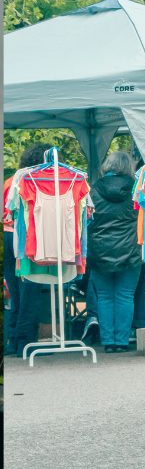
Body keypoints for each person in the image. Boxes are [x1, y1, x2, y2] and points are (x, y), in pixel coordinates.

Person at [87, 150, 143, 353]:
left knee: (104, 296)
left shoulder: (92, 190)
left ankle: (108, 341)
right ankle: (121, 341)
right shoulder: (136, 189)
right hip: (129, 251)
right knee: (125, 295)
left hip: (99, 251)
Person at [4, 142, 54, 356]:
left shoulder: (9, 181)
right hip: (26, 236)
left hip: (6, 235)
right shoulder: (35, 180)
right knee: (31, 288)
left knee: (14, 290)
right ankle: (26, 342)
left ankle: (13, 340)